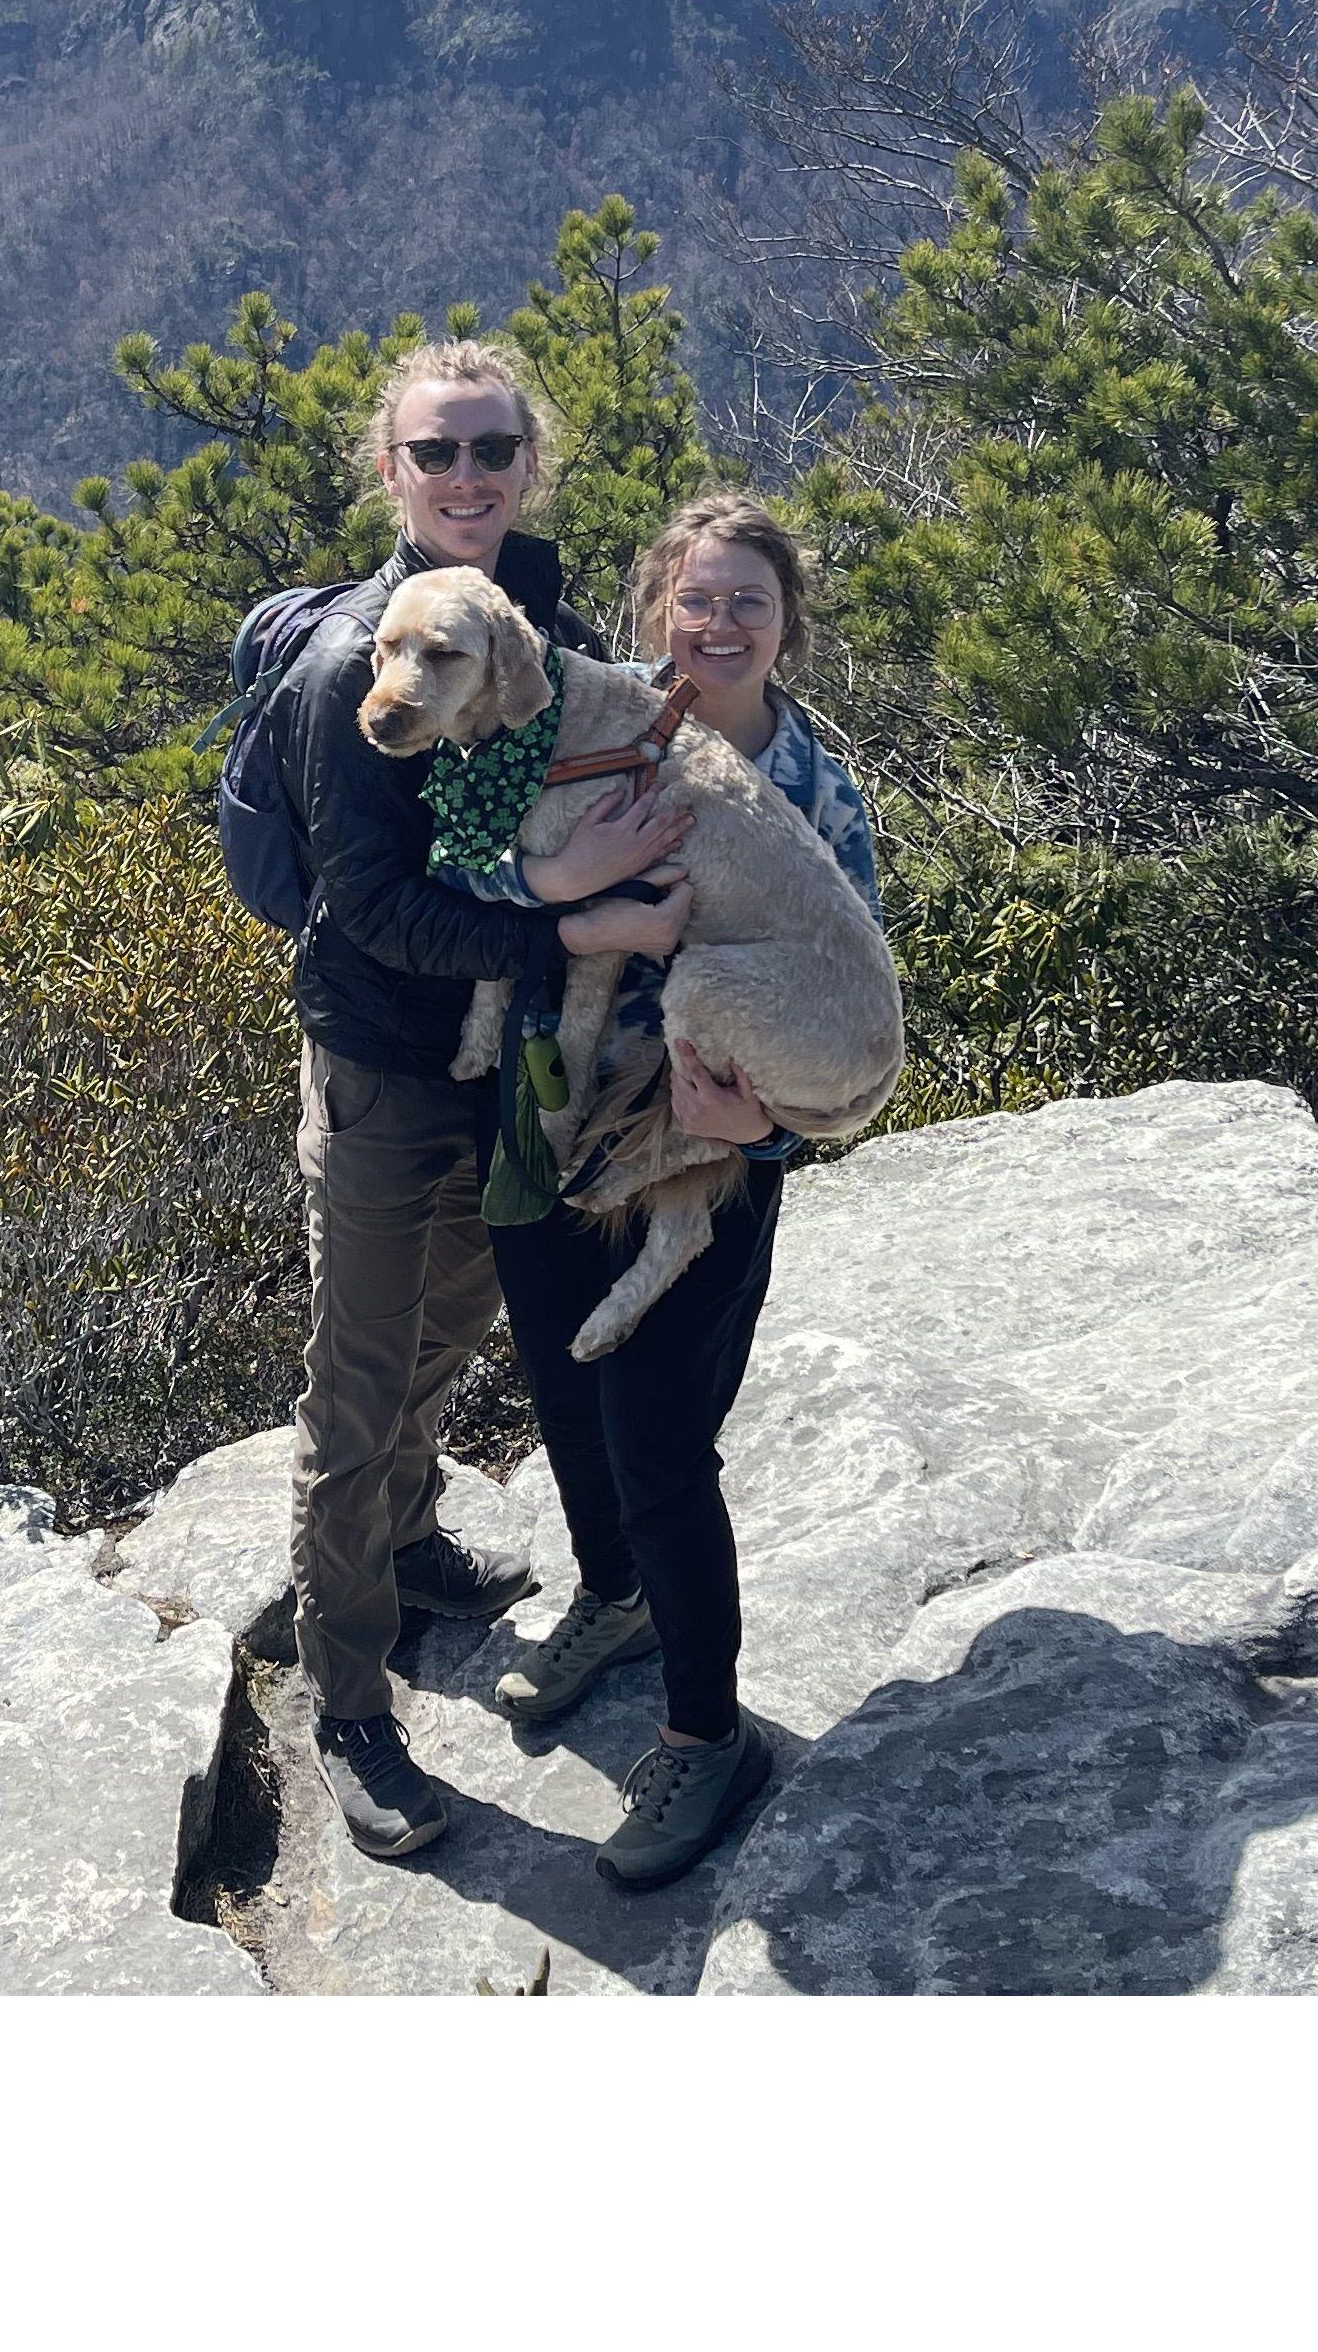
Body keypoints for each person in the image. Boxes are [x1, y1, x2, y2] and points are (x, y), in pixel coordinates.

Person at [258, 338, 703, 1862]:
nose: (466, 479)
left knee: (455, 1319)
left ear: (531, 467)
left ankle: (402, 1538)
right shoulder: (348, 671)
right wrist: (564, 934)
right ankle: (351, 1701)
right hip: (388, 1062)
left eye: (491, 451)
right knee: (361, 1375)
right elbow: (372, 905)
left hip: (510, 1063)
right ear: (388, 472)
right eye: (434, 454)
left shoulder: (532, 623)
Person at [459, 491, 881, 1892]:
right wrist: (570, 897)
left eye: (748, 601)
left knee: (657, 1437)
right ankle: (612, 1599)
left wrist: (761, 1124)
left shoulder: (820, 798)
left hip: (706, 1155)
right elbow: (459, 856)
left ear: (787, 626)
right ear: (654, 610)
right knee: (564, 1391)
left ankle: (708, 1734)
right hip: (553, 1116)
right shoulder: (583, 723)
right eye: (695, 597)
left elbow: (847, 1006)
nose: (718, 623)